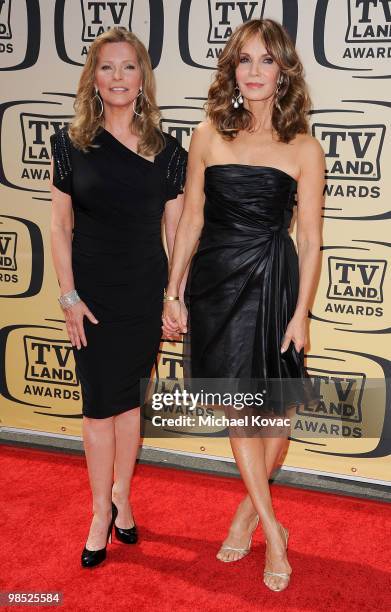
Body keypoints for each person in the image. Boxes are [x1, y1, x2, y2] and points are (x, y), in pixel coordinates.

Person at [162, 19, 324, 592]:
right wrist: (173, 289)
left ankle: (247, 512)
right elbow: (192, 219)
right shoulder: (208, 133)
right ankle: (276, 535)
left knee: (277, 413)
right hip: (218, 280)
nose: (254, 72)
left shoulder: (305, 146)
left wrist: (302, 312)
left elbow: (310, 240)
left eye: (266, 61)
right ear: (233, 70)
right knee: (239, 410)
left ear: (283, 73)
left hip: (275, 279)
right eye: (245, 61)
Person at [50, 27, 187, 568]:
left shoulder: (167, 150)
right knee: (96, 405)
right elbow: (59, 227)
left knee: (129, 403)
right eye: (107, 67)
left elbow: (176, 233)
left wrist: (173, 297)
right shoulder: (70, 143)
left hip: (141, 291)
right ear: (93, 78)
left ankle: (122, 497)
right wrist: (68, 296)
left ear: (142, 77)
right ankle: (97, 513)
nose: (118, 78)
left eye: (128, 67)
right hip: (90, 294)